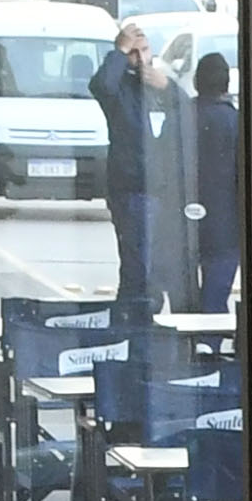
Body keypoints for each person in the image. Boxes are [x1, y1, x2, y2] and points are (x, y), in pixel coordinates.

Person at [94, 22, 161, 317]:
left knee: (159, 268)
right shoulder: (119, 89)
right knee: (137, 265)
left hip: (163, 189)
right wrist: (120, 52)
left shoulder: (159, 87)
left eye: (144, 50)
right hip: (131, 188)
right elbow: (101, 86)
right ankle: (132, 320)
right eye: (134, 53)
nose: (141, 58)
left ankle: (147, 317)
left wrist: (166, 85)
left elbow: (186, 112)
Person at [185, 51, 244, 314]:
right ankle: (211, 335)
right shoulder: (236, 122)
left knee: (184, 299)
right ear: (226, 84)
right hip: (225, 223)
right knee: (215, 297)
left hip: (183, 221)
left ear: (196, 82)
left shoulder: (182, 116)